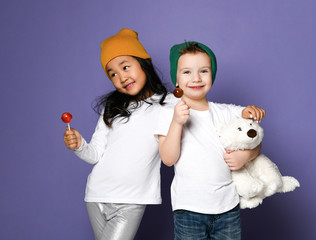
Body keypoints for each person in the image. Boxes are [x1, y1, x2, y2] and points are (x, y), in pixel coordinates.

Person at [63, 28, 168, 240]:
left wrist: (240, 114)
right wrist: (79, 145)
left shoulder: (169, 105)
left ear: (143, 62)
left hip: (131, 201)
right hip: (96, 196)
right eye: (113, 74)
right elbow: (95, 154)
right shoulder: (112, 108)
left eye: (125, 67)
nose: (121, 77)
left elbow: (204, 114)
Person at [155, 41, 266, 240]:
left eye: (203, 71)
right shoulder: (168, 114)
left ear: (212, 75)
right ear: (177, 79)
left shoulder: (225, 112)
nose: (196, 78)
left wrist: (246, 155)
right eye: (187, 72)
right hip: (189, 209)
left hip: (227, 208)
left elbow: (255, 142)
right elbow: (168, 158)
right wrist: (177, 123)